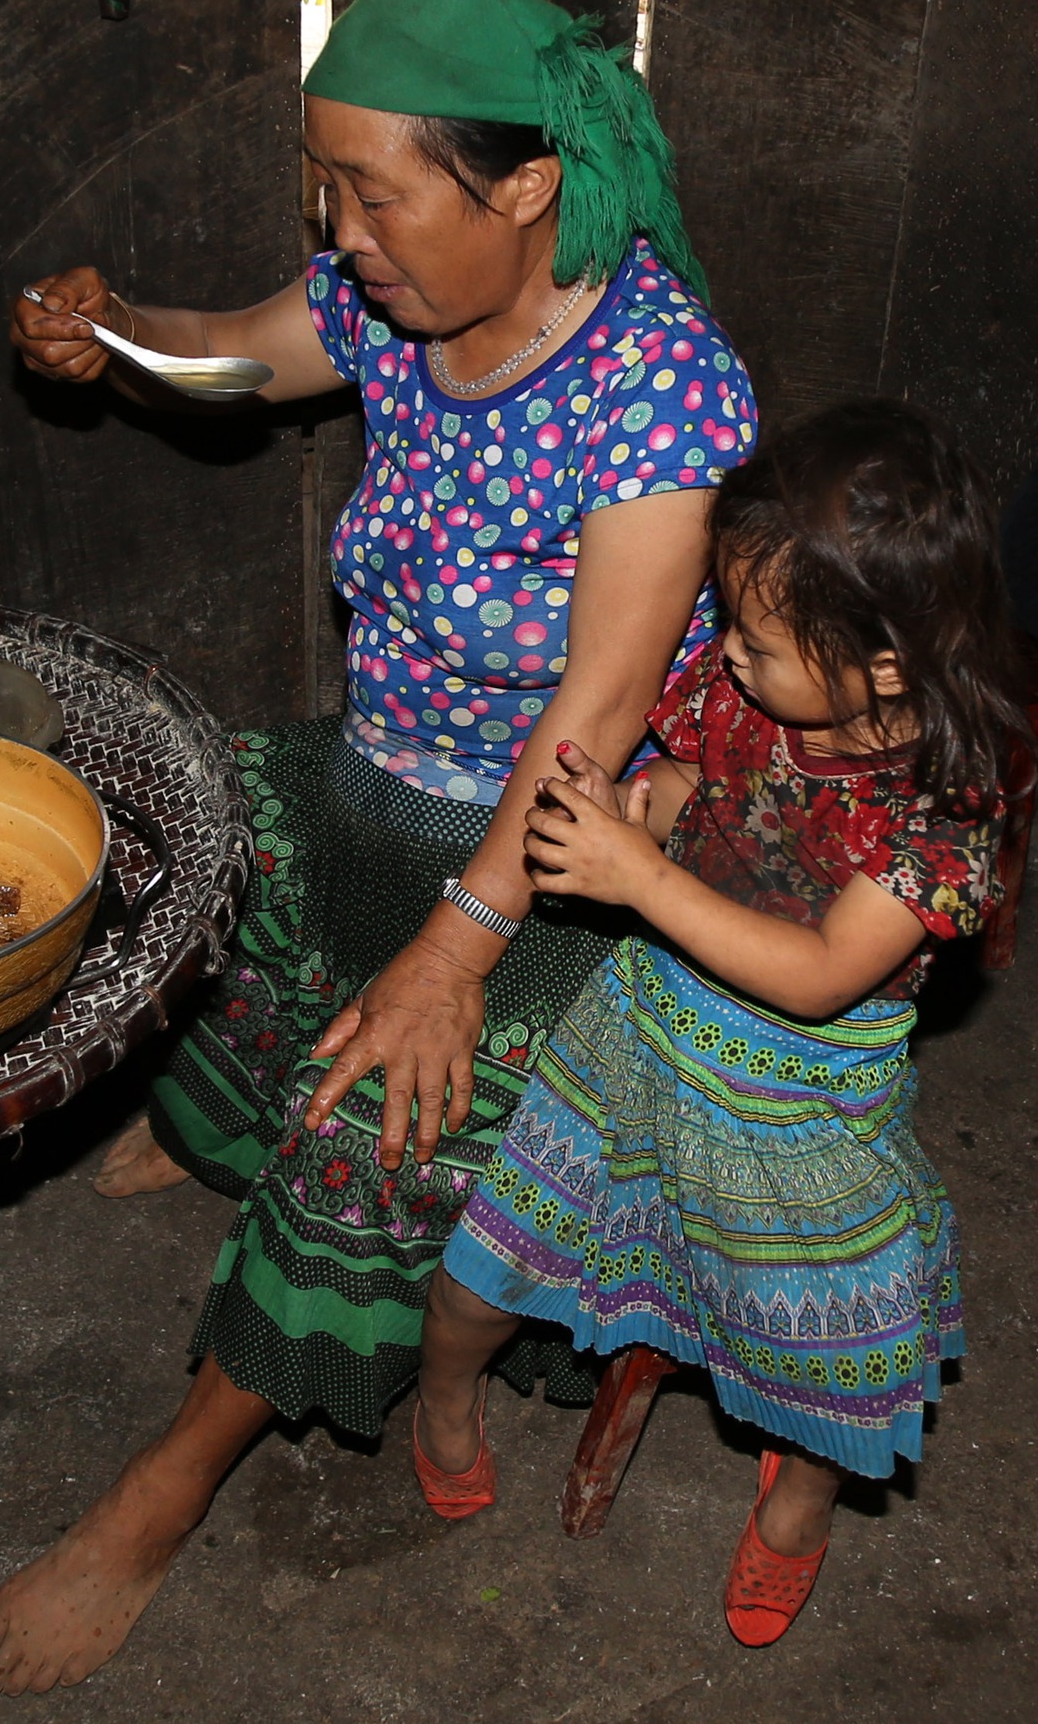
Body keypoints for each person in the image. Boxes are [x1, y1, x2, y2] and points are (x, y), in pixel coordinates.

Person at [0, 0, 759, 1696]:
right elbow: (238, 359)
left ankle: (160, 1495)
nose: (344, 231)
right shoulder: (396, 301)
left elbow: (596, 720)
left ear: (525, 184)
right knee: (183, 813)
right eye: (325, 189)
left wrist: (452, 958)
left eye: (373, 191)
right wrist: (104, 336)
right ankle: (224, 1110)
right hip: (384, 769)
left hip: (560, 862)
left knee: (380, 1110)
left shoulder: (660, 389)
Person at [420, 399, 1023, 1646]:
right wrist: (634, 806)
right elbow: (700, 778)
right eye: (732, 623)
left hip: (798, 1104)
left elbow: (814, 974)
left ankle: (799, 1501)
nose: (730, 655)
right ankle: (439, 1392)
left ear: (890, 660)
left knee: (845, 1350)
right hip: (639, 1035)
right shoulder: (753, 690)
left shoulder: (937, 810)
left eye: (759, 636)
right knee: (486, 1259)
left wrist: (641, 878)